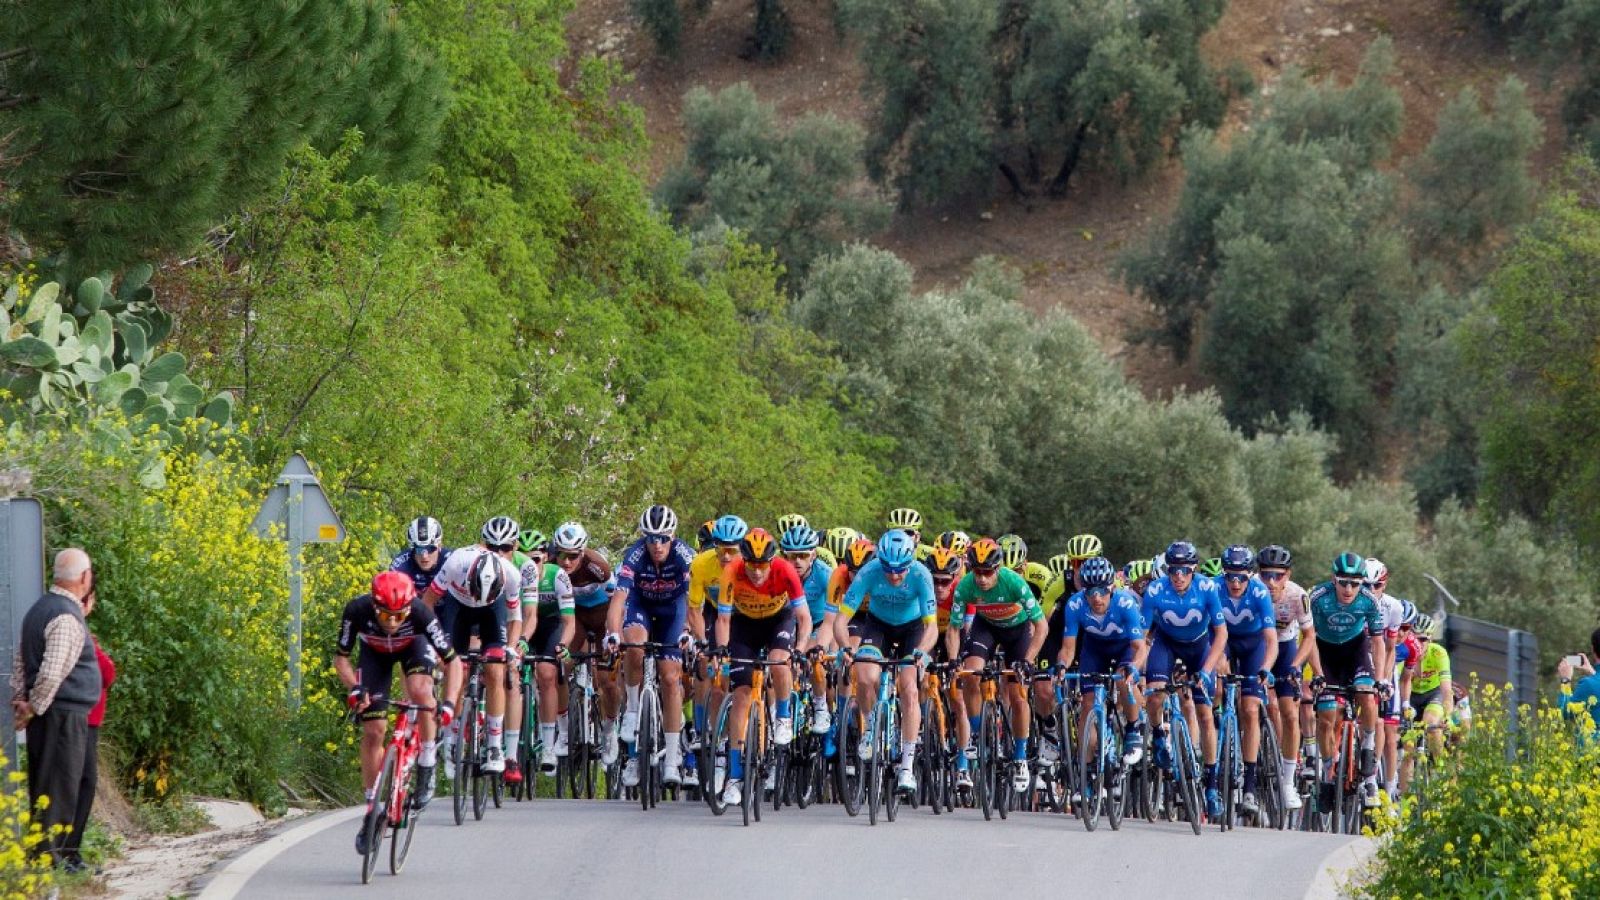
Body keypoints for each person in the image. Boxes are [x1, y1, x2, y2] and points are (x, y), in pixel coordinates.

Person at [339, 571, 460, 853]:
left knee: (420, 691)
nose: (392, 622)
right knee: (374, 730)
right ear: (373, 605)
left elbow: (452, 662)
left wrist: (451, 703)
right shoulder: (357, 610)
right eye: (385, 615)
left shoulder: (420, 613)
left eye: (399, 616)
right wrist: (354, 687)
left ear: (409, 608)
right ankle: (372, 807)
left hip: (413, 649)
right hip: (374, 655)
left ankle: (427, 757)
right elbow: (341, 658)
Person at [11, 549, 101, 865]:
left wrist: (21, 699)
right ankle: (49, 859)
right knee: (58, 785)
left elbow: (21, 660)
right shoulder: (64, 615)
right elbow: (52, 671)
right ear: (84, 578)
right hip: (61, 714)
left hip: (54, 712)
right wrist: (33, 706)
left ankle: (57, 856)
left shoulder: (40, 609)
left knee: (59, 782)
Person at [713, 528, 813, 805]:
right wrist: (722, 651)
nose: (757, 572)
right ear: (744, 560)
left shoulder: (785, 571)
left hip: (777, 621)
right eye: (752, 565)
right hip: (744, 624)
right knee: (742, 695)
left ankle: (783, 717)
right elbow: (723, 621)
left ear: (771, 561)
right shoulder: (732, 571)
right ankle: (734, 776)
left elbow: (804, 618)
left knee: (780, 661)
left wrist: (800, 649)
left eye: (762, 565)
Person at [834, 529, 936, 795]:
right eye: (888, 569)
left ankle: (906, 766)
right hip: (877, 626)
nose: (894, 575)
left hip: (912, 629)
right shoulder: (869, 572)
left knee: (909, 688)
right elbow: (841, 620)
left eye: (900, 569)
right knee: (865, 676)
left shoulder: (921, 574)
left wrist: (922, 652)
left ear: (910, 562)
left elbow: (932, 627)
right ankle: (869, 727)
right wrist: (845, 647)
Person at [420, 516, 523, 773]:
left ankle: (495, 746)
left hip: (492, 611)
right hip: (459, 608)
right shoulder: (456, 562)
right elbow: (427, 603)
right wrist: (433, 641)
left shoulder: (511, 574)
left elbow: (516, 618)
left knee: (496, 670)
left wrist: (510, 649)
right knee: (456, 668)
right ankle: (452, 740)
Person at [608, 505, 696, 788]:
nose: (657, 545)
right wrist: (612, 633)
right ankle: (633, 711)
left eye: (663, 538)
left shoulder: (685, 556)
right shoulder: (634, 555)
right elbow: (619, 599)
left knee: (671, 678)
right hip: (641, 606)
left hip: (674, 610)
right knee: (633, 644)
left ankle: (672, 759)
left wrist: (688, 631)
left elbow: (694, 601)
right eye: (651, 538)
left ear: (673, 536)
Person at [948, 538, 1046, 792]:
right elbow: (954, 628)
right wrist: (952, 659)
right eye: (977, 572)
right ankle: (979, 734)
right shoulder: (966, 586)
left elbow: (1042, 626)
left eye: (987, 572)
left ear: (998, 568)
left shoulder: (1014, 582)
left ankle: (1021, 757)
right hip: (986, 628)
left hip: (1017, 632)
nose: (981, 579)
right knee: (971, 674)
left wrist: (1028, 660)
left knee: (1017, 694)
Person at [1141, 540, 1228, 820]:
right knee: (1154, 695)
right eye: (1173, 571)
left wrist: (1206, 670)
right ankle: (1157, 737)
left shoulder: (1207, 588)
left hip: (1200, 646)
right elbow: (1143, 636)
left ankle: (1212, 786)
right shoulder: (1154, 590)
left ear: (1194, 571)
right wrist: (1136, 667)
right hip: (1166, 644)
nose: (1178, 577)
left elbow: (1221, 634)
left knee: (1204, 712)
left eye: (1185, 571)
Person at [1307, 552, 1385, 812]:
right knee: (1326, 716)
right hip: (1325, 653)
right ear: (1333, 580)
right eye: (1343, 582)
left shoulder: (1369, 601)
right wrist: (1317, 673)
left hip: (1355, 651)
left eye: (1355, 583)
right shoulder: (1318, 598)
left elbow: (1377, 641)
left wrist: (1381, 679)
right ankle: (1329, 769)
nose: (1349, 589)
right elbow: (1308, 637)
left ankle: (1368, 746)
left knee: (1367, 694)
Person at [1056, 556, 1148, 768]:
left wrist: (1133, 668)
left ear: (1112, 587)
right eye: (1091, 592)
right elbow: (1068, 648)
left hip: (1124, 647)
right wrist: (1062, 665)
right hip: (1094, 649)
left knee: (1124, 680)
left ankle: (1134, 728)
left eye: (1102, 591)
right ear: (1083, 591)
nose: (1097, 598)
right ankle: (1085, 772)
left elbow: (1139, 647)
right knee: (1087, 704)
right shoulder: (1075, 604)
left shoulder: (1126, 603)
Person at [1216, 544, 1279, 819]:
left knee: (1251, 708)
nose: (1235, 582)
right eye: (1230, 576)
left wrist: (1265, 668)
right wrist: (1217, 661)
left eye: (1241, 577)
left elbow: (1271, 640)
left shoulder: (1260, 592)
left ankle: (1251, 784)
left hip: (1254, 645)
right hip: (1225, 642)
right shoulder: (1213, 589)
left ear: (1250, 575)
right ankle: (1217, 743)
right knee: (1216, 686)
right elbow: (1209, 633)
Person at [62, 582, 114, 874]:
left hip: (83, 719)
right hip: (83, 720)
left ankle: (71, 852)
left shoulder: (80, 633)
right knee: (81, 784)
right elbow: (107, 672)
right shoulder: (81, 634)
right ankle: (69, 853)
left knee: (81, 784)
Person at [1259, 544, 1311, 812]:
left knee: (1290, 713)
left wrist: (1295, 665)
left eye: (1277, 575)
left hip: (1286, 648)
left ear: (1287, 575)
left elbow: (1310, 637)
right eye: (1265, 574)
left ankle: (1287, 779)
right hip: (1259, 647)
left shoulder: (1298, 596)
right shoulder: (1252, 591)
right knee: (1268, 704)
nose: (1271, 581)